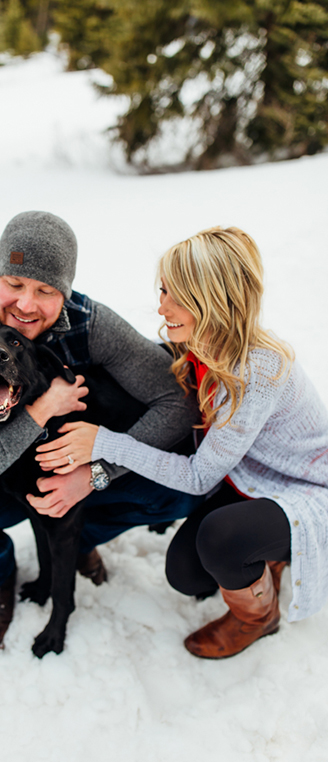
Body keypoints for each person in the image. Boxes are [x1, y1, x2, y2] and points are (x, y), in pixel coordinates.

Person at [0, 210, 205, 653]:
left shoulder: (91, 325)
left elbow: (177, 403)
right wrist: (41, 411)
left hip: (82, 465)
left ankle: (78, 537)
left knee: (180, 490)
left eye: (45, 290)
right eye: (14, 283)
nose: (26, 305)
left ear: (63, 294)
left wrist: (95, 474)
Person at [36, 226, 328, 659]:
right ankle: (264, 555)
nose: (161, 306)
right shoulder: (198, 347)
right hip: (248, 481)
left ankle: (258, 617)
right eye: (163, 291)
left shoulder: (259, 371)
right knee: (187, 575)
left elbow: (196, 476)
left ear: (213, 300)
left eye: (176, 296)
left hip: (307, 492)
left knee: (220, 540)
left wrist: (104, 444)